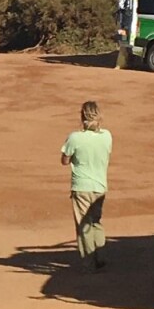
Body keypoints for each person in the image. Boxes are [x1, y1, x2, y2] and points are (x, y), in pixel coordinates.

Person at [60, 101, 112, 272]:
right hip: (100, 187)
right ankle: (101, 257)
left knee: (84, 225)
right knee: (96, 222)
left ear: (82, 116)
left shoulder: (75, 137)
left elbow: (64, 160)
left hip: (81, 187)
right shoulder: (107, 136)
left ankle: (89, 264)